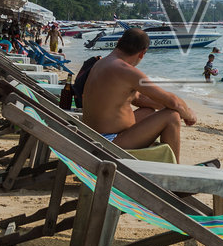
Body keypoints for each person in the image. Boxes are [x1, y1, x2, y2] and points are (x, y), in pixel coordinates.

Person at [81, 25, 197, 158]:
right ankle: (173, 173)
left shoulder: (102, 63)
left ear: (119, 42)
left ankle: (160, 160)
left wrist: (173, 107)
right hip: (108, 143)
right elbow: (174, 102)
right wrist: (189, 114)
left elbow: (139, 98)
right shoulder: (126, 70)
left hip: (92, 136)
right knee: (172, 117)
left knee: (148, 111)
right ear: (142, 53)